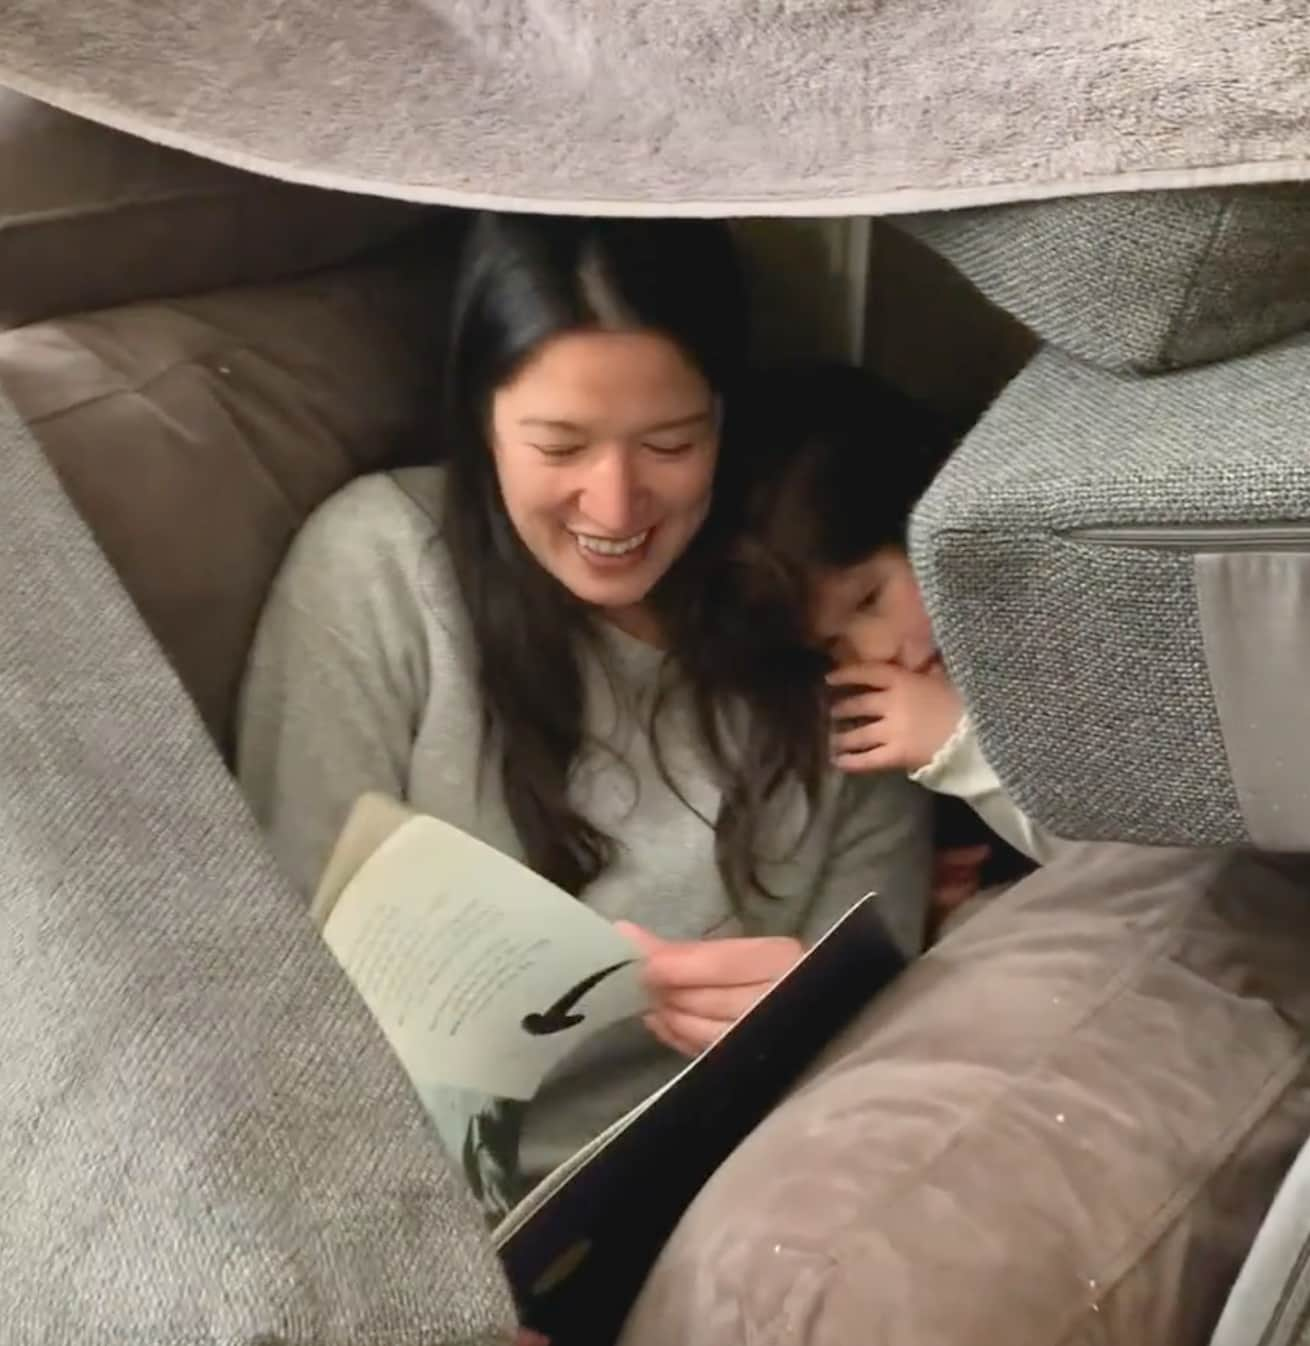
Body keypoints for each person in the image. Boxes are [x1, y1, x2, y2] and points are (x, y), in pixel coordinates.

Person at [236, 215, 931, 1219]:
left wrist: (811, 1018)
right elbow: (281, 985)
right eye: (558, 444)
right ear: (481, 419)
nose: (613, 505)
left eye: (669, 443)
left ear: (724, 425)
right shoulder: (381, 568)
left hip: (706, 1214)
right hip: (395, 1211)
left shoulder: (817, 634)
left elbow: (882, 1035)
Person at [734, 360, 1062, 899]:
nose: (876, 651)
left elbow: (1133, 859)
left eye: (871, 598)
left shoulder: (1056, 608)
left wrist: (959, 747)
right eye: (831, 645)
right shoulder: (858, 707)